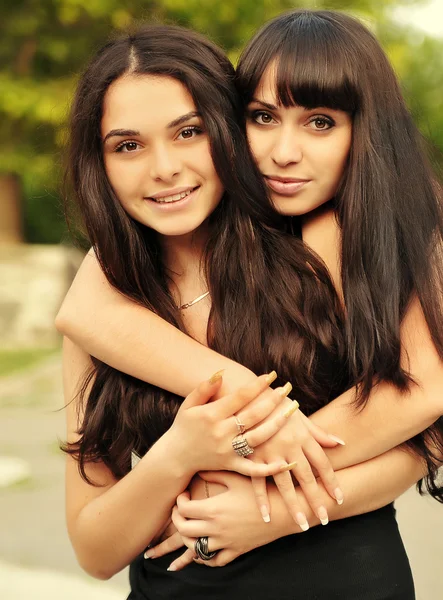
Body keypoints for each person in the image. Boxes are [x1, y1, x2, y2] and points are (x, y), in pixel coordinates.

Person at [58, 13, 442, 600]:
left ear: (222, 129)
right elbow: (94, 550)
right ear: (99, 163)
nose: (163, 168)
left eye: (188, 132)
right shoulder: (103, 300)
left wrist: (266, 501)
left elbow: (422, 427)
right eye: (128, 145)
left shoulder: (316, 243)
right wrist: (179, 456)